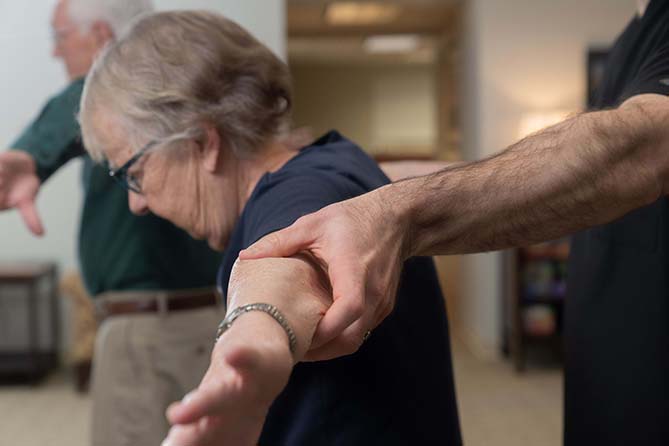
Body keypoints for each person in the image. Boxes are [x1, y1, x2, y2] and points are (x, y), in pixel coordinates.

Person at [242, 0, 669, 443]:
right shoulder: (633, 35)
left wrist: (398, 216)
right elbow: (516, 175)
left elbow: (642, 147)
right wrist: (353, 176)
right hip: (608, 387)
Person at [78, 10, 462, 446]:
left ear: (202, 144)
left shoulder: (295, 199)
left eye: (133, 171)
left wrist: (255, 335)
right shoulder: (337, 161)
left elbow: (288, 267)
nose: (137, 202)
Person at [0, 1, 223, 444]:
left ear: (101, 35)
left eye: (60, 37)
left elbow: (83, 97)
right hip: (197, 320)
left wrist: (31, 156)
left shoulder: (127, 91)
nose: (55, 53)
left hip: (149, 331)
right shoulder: (186, 86)